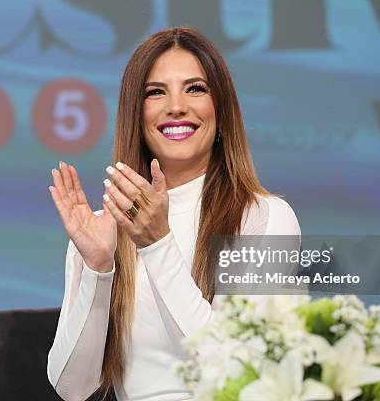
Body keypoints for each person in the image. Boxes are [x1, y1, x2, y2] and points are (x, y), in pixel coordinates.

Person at [46, 26, 300, 400]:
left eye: (195, 88)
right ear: (137, 114)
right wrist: (98, 269)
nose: (176, 106)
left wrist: (156, 243)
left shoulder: (264, 217)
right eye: (155, 92)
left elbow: (233, 371)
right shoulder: (106, 228)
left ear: (221, 110)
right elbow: (73, 388)